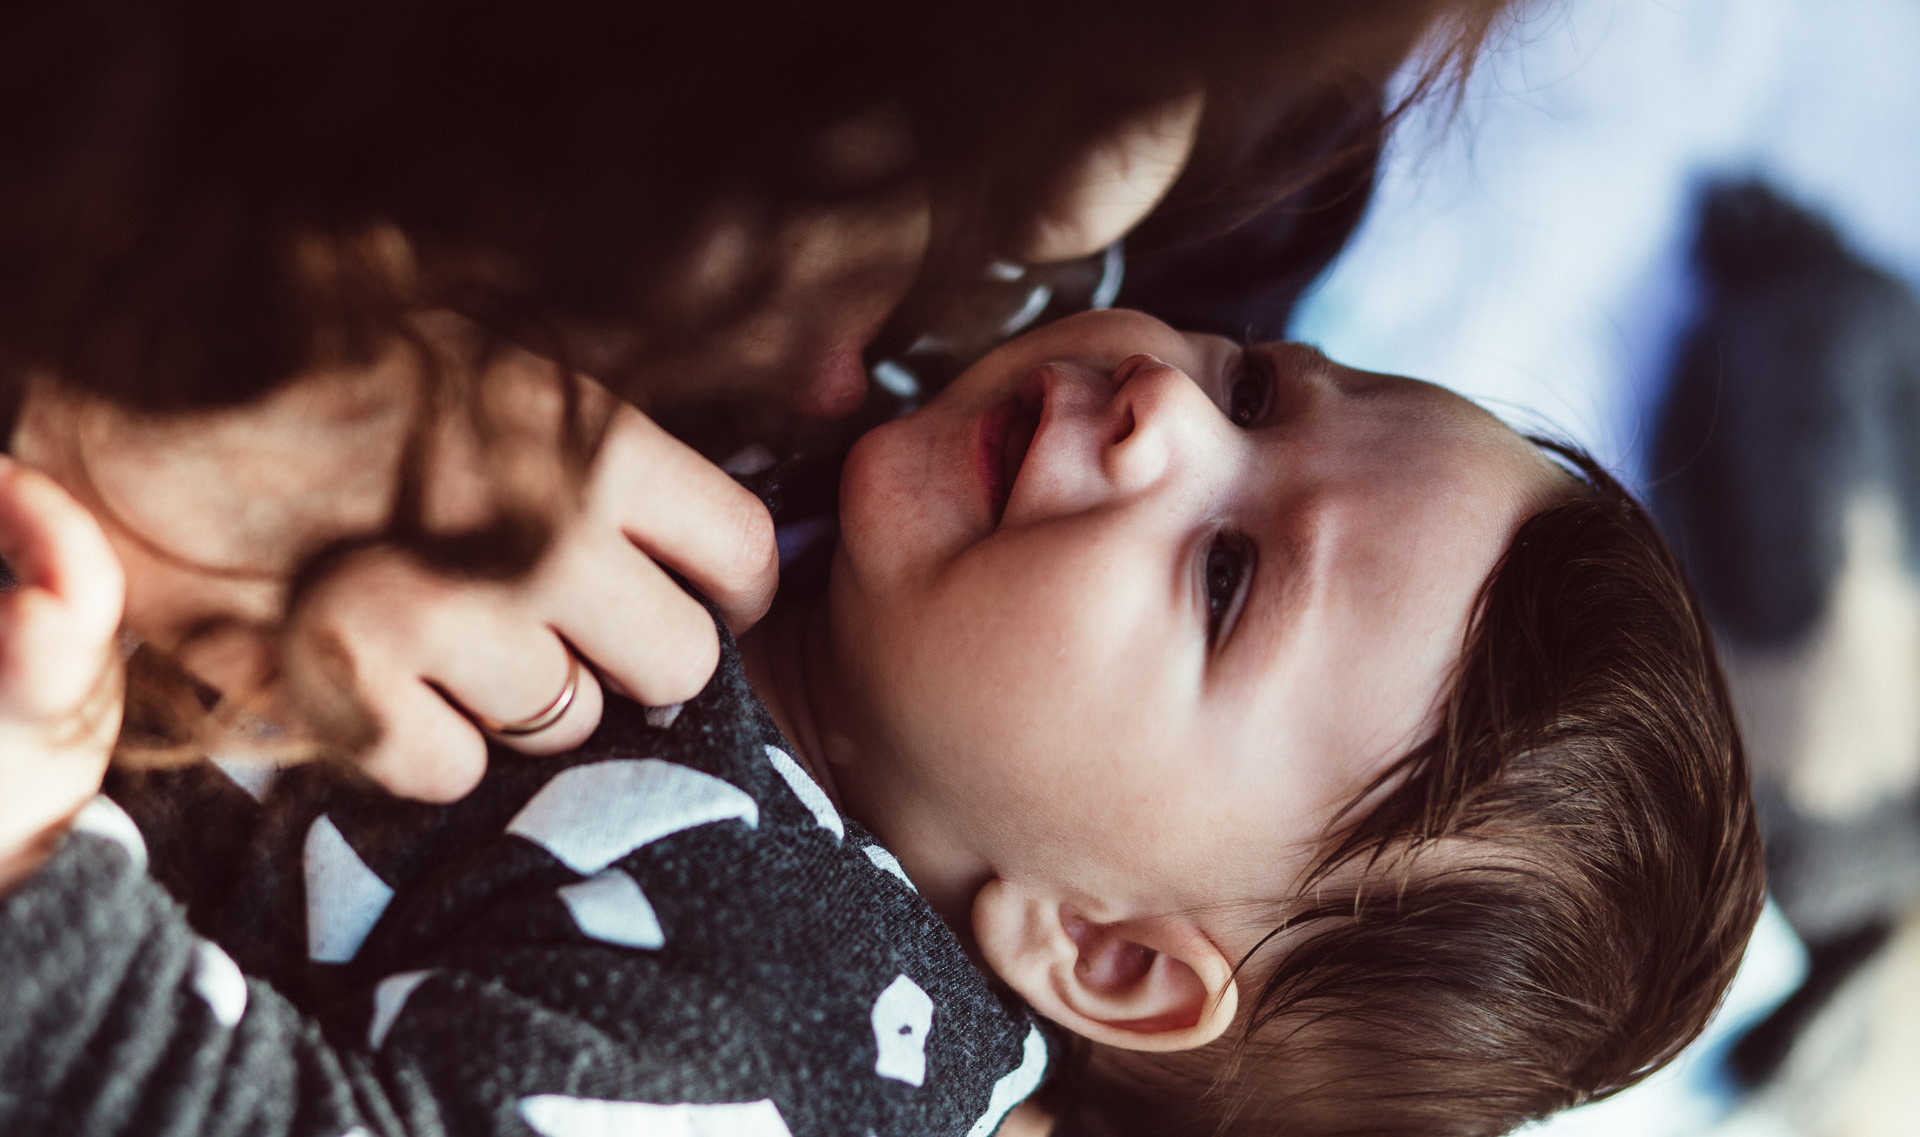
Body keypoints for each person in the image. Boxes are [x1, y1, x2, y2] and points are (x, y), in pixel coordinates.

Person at [0, 0, 1706, 800]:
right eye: (898, 131)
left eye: (1228, 572)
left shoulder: (1251, 178)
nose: (1152, 387)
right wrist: (137, 375)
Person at [0, 309, 1765, 1137]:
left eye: (1226, 578)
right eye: (1259, 382)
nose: (1160, 410)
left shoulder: (800, 1029)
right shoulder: (892, 466)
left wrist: (29, 862)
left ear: (1105, 956)